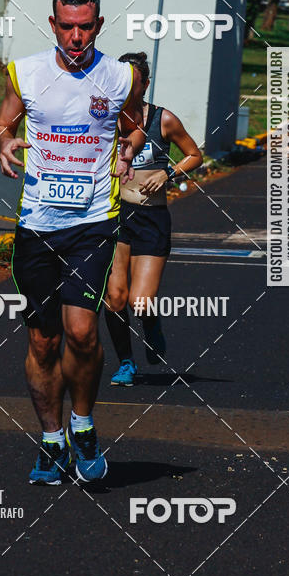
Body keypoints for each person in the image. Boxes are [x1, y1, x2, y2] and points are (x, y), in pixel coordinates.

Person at [0, 0, 145, 484]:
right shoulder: (26, 72)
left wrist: (128, 148)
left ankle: (83, 424)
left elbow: (133, 125)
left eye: (85, 27)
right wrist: (4, 142)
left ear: (98, 25)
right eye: (66, 26)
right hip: (38, 224)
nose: (76, 36)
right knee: (42, 341)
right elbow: (2, 126)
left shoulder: (121, 76)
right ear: (52, 24)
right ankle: (52, 440)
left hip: (92, 221)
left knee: (81, 332)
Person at [104, 52, 203, 385]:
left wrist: (168, 174)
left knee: (139, 302)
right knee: (115, 297)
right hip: (116, 216)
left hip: (151, 219)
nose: (128, 88)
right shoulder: (105, 119)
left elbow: (195, 155)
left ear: (145, 84)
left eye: (134, 81)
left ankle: (151, 321)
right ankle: (126, 362)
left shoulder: (164, 119)